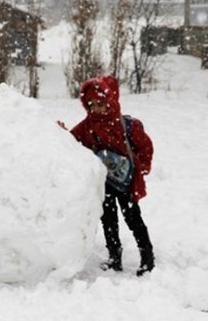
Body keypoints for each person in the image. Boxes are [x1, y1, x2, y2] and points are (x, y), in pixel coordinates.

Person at [64, 75, 155, 276]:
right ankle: (115, 256)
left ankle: (147, 257)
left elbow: (145, 148)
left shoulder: (128, 126)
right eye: (91, 105)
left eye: (101, 103)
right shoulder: (87, 125)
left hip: (126, 183)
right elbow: (70, 141)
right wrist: (59, 132)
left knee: (133, 219)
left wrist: (141, 169)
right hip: (103, 183)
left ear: (111, 101)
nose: (96, 109)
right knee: (108, 219)